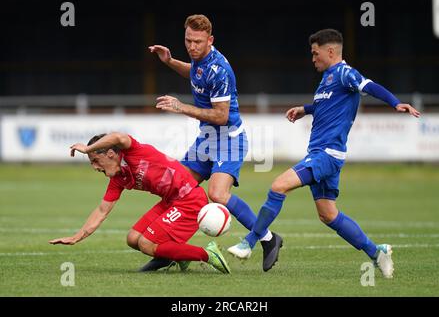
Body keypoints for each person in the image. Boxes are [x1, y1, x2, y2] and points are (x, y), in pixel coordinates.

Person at [228, 28, 420, 275]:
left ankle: (249, 242)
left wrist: (395, 102)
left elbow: (369, 85)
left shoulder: (344, 73)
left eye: (315, 53)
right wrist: (305, 109)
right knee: (328, 214)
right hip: (325, 154)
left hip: (326, 154)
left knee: (278, 186)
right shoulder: (328, 78)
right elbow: (326, 106)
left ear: (330, 51)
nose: (313, 58)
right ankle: (376, 252)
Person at [148, 14, 277, 269]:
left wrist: (182, 107)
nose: (192, 46)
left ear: (210, 40)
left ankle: (268, 238)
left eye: (197, 42)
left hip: (228, 139)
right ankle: (171, 252)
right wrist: (171, 61)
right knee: (176, 190)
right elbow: (194, 73)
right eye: (188, 40)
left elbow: (221, 115)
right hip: (206, 140)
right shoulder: (199, 60)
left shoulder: (219, 70)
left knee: (217, 194)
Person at [49, 132, 231, 274]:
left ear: (111, 153)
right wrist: (77, 236)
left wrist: (88, 149)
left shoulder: (133, 151)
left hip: (189, 199)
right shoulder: (118, 178)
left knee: (146, 243)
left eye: (95, 160)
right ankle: (180, 254)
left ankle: (208, 254)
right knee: (133, 239)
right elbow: (102, 210)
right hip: (171, 201)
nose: (95, 167)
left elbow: (117, 137)